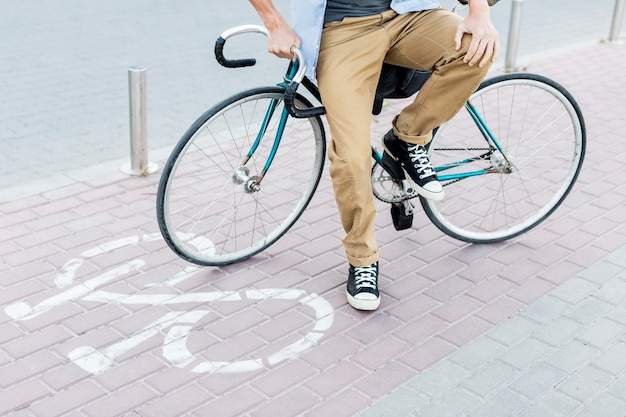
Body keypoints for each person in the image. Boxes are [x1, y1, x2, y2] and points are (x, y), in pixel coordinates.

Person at [248, 0, 500, 311]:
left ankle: (407, 138)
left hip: (410, 13)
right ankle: (362, 258)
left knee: (476, 47)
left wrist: (479, 12)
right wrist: (273, 22)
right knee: (352, 157)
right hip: (342, 31)